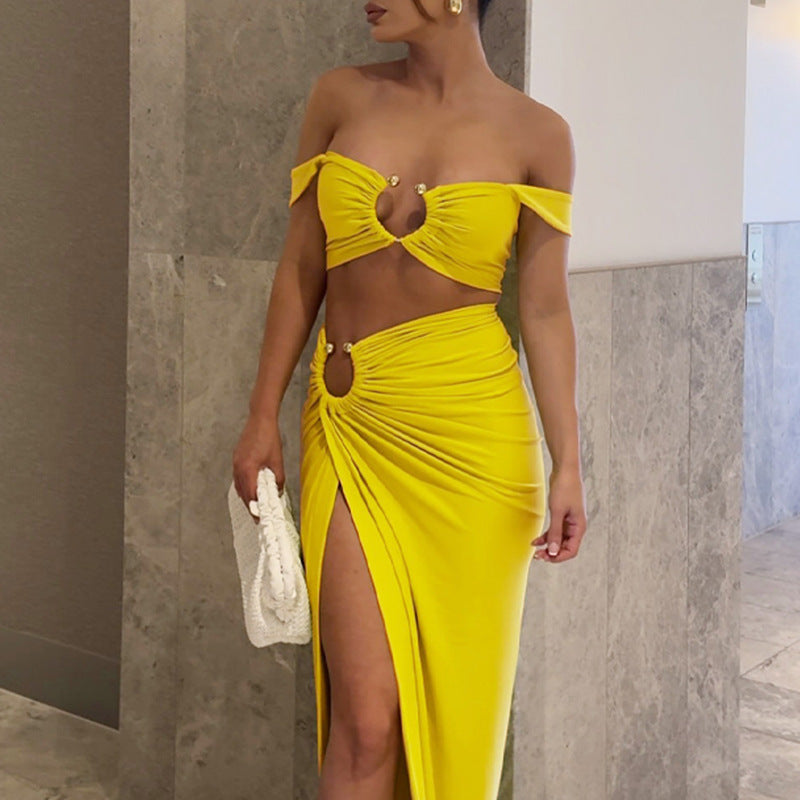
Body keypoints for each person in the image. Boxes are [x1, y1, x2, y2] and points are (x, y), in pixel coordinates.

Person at [232, 0, 588, 797]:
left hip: (474, 445)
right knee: (365, 719)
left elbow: (544, 310)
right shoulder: (339, 96)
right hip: (351, 428)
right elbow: (301, 267)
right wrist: (261, 414)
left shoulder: (539, 135)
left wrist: (569, 463)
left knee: (456, 712)